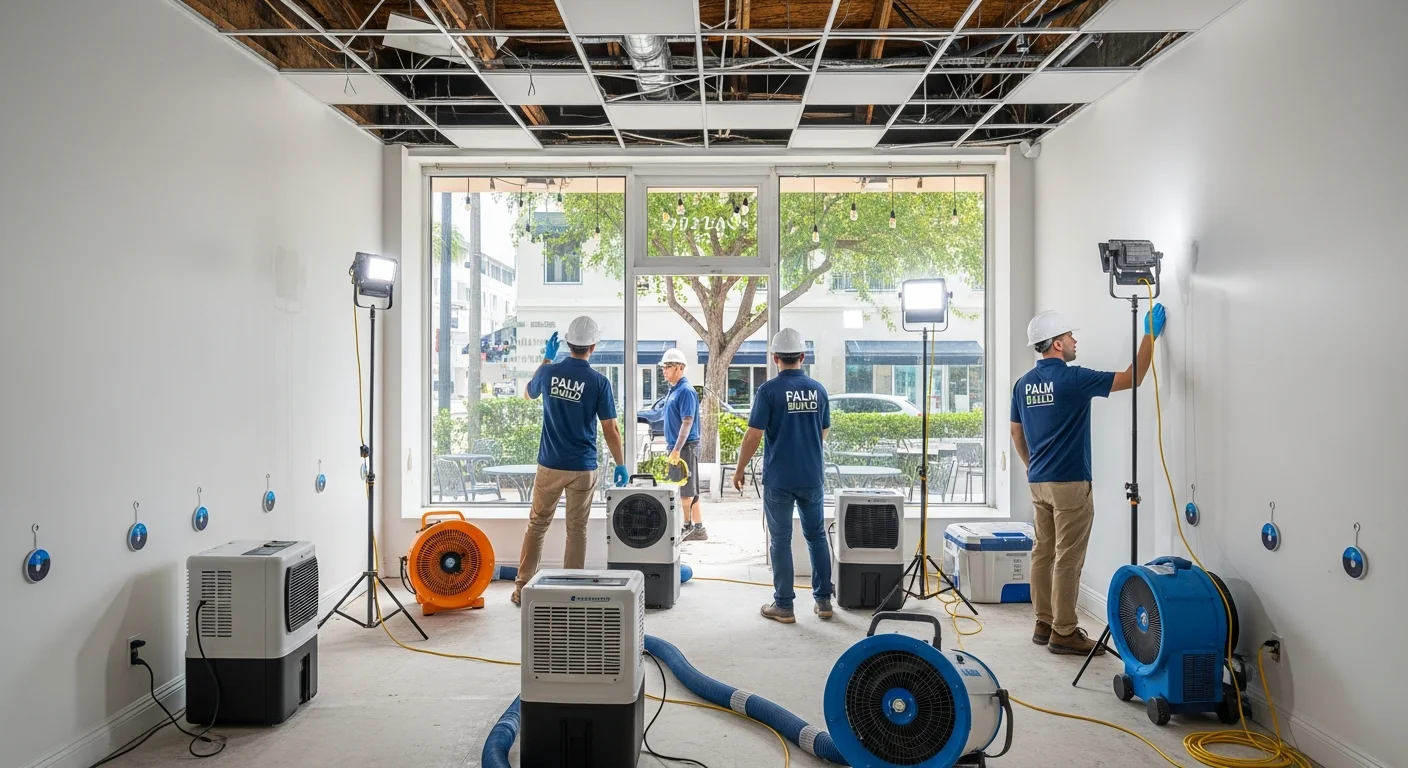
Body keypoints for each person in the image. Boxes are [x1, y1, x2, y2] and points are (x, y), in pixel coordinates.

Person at [1011, 304, 1166, 654]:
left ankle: (1043, 621)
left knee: (1043, 553)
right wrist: (1150, 336)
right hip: (1069, 483)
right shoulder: (1073, 379)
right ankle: (1064, 632)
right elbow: (1133, 377)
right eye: (1068, 336)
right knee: (1067, 557)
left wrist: (1031, 467)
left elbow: (1015, 432)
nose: (1074, 340)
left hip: (1039, 482)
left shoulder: (1023, 385)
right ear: (1055, 344)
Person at [513, 316, 630, 606]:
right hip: (582, 467)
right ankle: (571, 593)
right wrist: (620, 463)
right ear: (593, 345)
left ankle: (522, 589)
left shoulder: (549, 372)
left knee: (537, 525)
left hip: (550, 464)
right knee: (576, 529)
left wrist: (545, 359)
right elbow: (611, 429)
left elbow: (528, 393)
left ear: (566, 343)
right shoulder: (599, 382)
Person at [731, 328, 834, 624]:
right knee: (815, 536)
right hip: (811, 475)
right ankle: (824, 601)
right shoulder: (818, 389)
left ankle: (784, 606)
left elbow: (753, 434)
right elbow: (823, 431)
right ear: (802, 357)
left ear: (775, 358)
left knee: (780, 540)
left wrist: (739, 469)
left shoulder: (768, 391)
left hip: (779, 479)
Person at [659, 348, 706, 541]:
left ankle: (689, 526)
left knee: (687, 492)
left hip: (686, 447)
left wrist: (677, 449)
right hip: (678, 447)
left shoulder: (685, 391)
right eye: (664, 367)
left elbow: (688, 421)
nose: (664, 370)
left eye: (668, 366)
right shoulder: (675, 390)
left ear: (680, 368)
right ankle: (698, 527)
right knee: (686, 490)